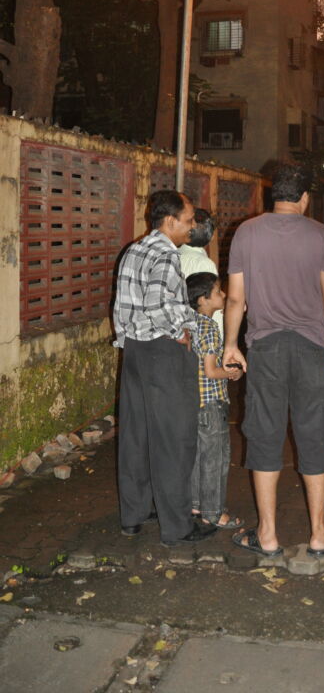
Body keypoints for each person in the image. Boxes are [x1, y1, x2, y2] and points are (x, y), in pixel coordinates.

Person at [223, 163, 324, 558]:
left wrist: (230, 344)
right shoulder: (321, 234)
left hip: (266, 349)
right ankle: (320, 534)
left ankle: (268, 536)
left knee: (264, 434)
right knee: (314, 433)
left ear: (271, 195)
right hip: (311, 349)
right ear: (305, 198)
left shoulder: (247, 232)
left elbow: (235, 298)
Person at [113, 189, 215, 546]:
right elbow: (159, 305)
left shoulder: (134, 249)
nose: (191, 227)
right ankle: (177, 527)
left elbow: (124, 306)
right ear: (170, 221)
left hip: (134, 352)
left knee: (136, 437)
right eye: (187, 221)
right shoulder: (166, 254)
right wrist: (180, 330)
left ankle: (134, 515)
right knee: (174, 439)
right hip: (163, 354)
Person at [186, 272, 243, 530]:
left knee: (198, 456)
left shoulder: (189, 323)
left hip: (194, 402)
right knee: (215, 458)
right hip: (212, 403)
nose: (223, 295)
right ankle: (213, 512)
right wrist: (232, 373)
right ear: (203, 299)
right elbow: (211, 371)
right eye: (218, 291)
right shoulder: (209, 327)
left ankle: (196, 504)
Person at [179, 208, 222, 336]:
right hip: (202, 336)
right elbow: (212, 305)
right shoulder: (205, 264)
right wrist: (219, 337)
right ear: (211, 237)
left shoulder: (174, 255)